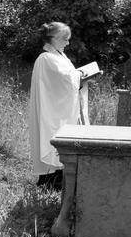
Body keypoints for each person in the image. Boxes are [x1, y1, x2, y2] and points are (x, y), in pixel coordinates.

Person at [28, 21, 91, 189]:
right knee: (53, 138)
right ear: (53, 38)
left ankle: (60, 178)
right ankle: (50, 181)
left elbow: (67, 77)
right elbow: (63, 80)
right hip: (52, 110)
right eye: (65, 38)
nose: (68, 43)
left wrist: (80, 75)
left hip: (61, 108)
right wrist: (80, 76)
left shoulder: (59, 56)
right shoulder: (46, 58)